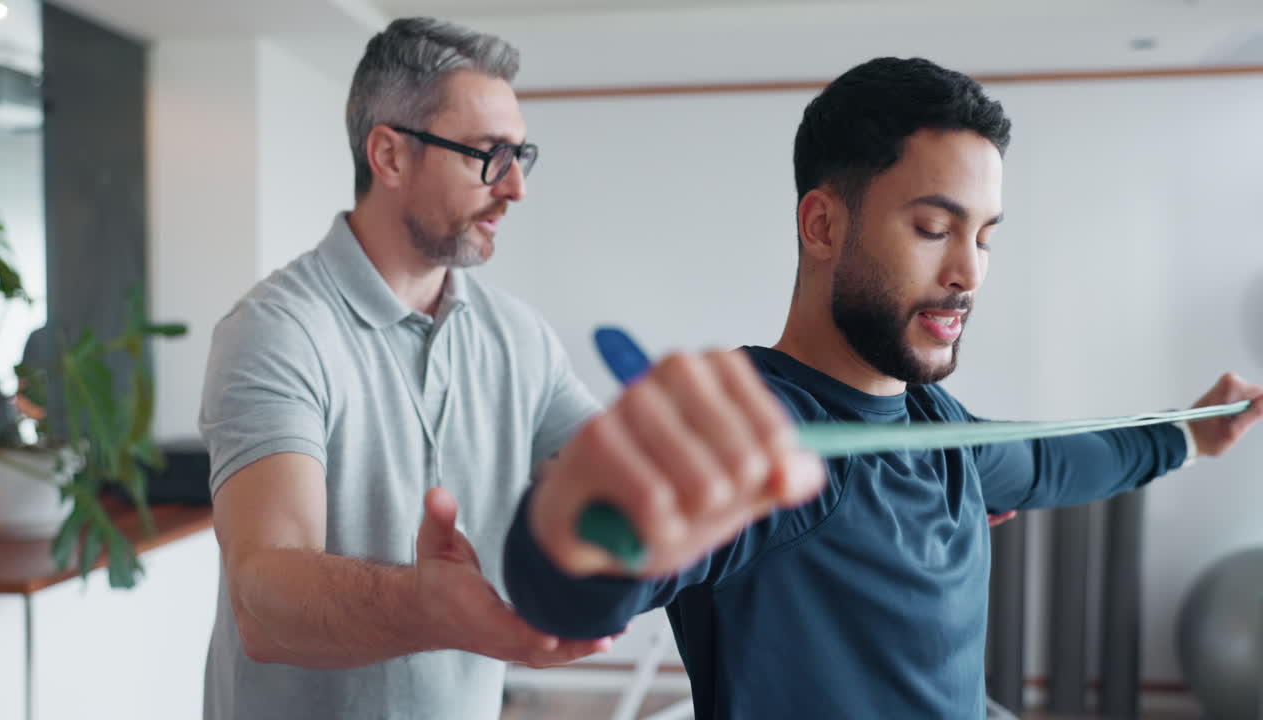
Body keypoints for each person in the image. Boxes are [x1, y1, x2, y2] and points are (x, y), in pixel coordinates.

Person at [500, 57, 1263, 719]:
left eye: (986, 236)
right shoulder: (772, 436)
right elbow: (575, 591)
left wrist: (1190, 436)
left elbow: (1049, 463)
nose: (968, 272)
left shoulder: (937, 425)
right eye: (935, 228)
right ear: (824, 226)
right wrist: (581, 532)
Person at [198, 18, 618, 720]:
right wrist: (429, 611)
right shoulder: (276, 331)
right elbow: (262, 599)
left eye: (520, 155)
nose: (515, 188)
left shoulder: (519, 336)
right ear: (389, 157)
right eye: (488, 155)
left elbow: (608, 471)